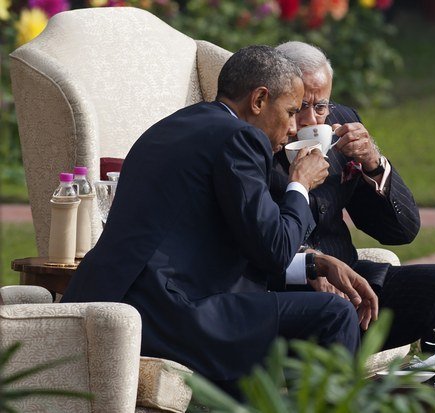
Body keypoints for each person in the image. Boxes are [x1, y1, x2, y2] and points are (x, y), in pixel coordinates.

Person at [61, 45, 378, 394]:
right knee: (334, 313)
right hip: (169, 312)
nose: (292, 128)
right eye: (290, 112)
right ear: (259, 100)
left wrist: (314, 265)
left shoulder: (174, 126)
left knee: (261, 315)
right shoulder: (241, 138)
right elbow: (275, 248)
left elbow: (245, 239)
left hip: (119, 299)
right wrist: (299, 185)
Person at [273, 41, 435, 351]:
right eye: (300, 106)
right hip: (293, 296)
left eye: (321, 106)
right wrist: (311, 263)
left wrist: (373, 162)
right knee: (333, 312)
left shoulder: (339, 125)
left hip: (354, 285)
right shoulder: (255, 140)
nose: (313, 121)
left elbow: (400, 231)